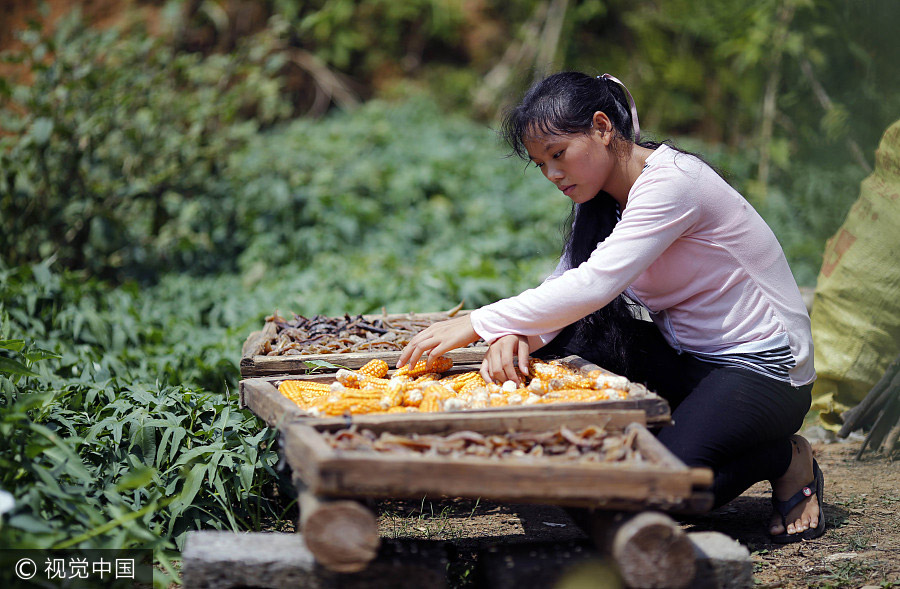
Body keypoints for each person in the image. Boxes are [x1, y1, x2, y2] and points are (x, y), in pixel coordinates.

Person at [397, 71, 825, 542]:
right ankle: (644, 443)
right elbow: (564, 284)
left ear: (602, 128)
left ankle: (785, 457)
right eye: (541, 164)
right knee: (568, 337)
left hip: (764, 371)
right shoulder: (601, 199)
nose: (553, 174)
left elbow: (594, 284)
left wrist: (477, 322)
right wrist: (514, 336)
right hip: (690, 363)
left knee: (660, 491)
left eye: (558, 155)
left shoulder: (673, 183)